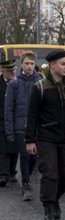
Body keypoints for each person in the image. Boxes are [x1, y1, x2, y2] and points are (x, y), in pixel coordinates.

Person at [25, 50, 65, 220]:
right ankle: (49, 206)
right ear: (52, 65)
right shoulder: (39, 87)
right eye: (63, 64)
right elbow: (31, 116)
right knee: (50, 173)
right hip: (46, 138)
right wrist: (30, 140)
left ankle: (55, 199)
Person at [5, 52, 42, 201]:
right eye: (26, 63)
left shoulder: (40, 82)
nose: (29, 66)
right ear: (22, 64)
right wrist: (10, 132)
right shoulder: (14, 84)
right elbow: (9, 109)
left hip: (37, 127)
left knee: (34, 155)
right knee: (25, 155)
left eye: (32, 64)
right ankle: (25, 184)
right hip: (20, 126)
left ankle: (27, 178)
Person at [0, 59, 19, 187]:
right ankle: (3, 174)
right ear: (2, 71)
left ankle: (12, 171)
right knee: (2, 149)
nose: (12, 72)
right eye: (9, 71)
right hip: (1, 120)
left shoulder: (18, 83)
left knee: (14, 148)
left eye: (13, 70)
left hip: (16, 120)